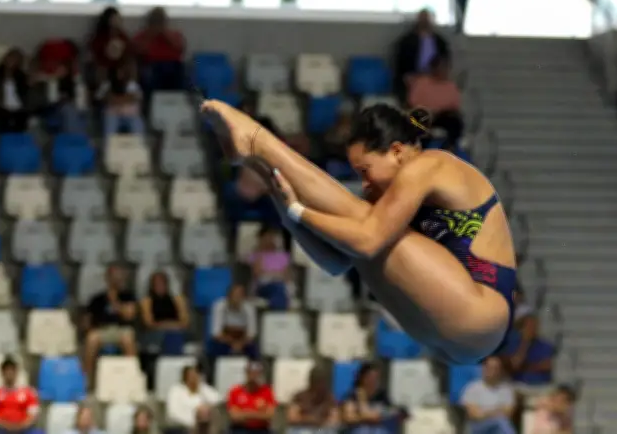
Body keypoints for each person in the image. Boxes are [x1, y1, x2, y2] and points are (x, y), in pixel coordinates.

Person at [200, 100, 517, 364]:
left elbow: (366, 242)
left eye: (365, 171)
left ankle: (259, 139)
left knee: (361, 223)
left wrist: (302, 212)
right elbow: (336, 262)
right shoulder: (387, 197)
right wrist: (286, 208)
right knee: (357, 228)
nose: (365, 183)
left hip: (480, 312)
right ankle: (258, 163)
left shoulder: (430, 164)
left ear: (396, 151)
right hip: (452, 340)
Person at [82, 264, 137, 380]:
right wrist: (89, 325)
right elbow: (87, 321)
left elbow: (129, 315)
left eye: (118, 276)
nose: (116, 279)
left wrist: (115, 302)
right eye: (113, 276)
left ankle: (132, 377)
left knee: (128, 339)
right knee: (91, 339)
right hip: (102, 330)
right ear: (107, 278)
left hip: (121, 329)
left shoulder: (128, 296)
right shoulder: (97, 299)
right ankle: (86, 380)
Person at [407, 55, 464, 150]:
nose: (445, 71)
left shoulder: (451, 86)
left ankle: (449, 147)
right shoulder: (422, 83)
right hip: (424, 115)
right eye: (442, 67)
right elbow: (412, 102)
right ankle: (420, 149)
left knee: (454, 120)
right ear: (434, 68)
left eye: (446, 68)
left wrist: (439, 111)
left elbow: (454, 107)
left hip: (442, 116)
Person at [394, 9, 450, 100]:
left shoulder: (440, 42)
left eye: (426, 19)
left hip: (435, 79)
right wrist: (407, 77)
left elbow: (445, 61)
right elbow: (400, 64)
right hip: (414, 78)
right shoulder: (406, 41)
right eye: (422, 19)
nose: (424, 22)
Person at [342, 362, 405, 434]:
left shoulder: (382, 396)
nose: (373, 380)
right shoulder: (352, 396)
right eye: (370, 377)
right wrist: (368, 416)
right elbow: (349, 418)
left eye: (375, 377)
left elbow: (389, 412)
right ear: (362, 377)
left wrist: (364, 415)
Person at [134, 7, 186, 92]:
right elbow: (138, 51)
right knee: (149, 74)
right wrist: (151, 35)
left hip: (172, 66)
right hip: (152, 66)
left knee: (179, 72)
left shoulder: (173, 34)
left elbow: (180, 48)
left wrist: (164, 33)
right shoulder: (142, 35)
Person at [0, 357, 41, 434]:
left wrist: (20, 426)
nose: (9, 373)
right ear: (2, 372)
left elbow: (33, 415)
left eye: (12, 370)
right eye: (6, 370)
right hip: (0, 429)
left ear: (17, 372)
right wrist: (5, 426)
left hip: (23, 429)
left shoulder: (29, 393)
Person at [460, 356, 517, 434]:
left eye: (495, 368)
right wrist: (497, 411)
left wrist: (485, 413)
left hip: (497, 427)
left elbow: (508, 413)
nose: (492, 370)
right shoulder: (472, 388)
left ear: (500, 370)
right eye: (489, 367)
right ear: (484, 368)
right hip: (477, 427)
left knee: (501, 423)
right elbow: (474, 415)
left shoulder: (506, 389)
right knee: (501, 422)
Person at [139, 270, 190, 354]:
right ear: (152, 285)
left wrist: (171, 326)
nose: (160, 286)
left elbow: (185, 322)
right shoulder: (147, 301)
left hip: (176, 331)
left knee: (177, 336)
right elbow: (148, 323)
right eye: (157, 284)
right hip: (154, 333)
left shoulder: (178, 300)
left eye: (162, 283)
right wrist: (168, 325)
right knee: (166, 337)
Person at [245, 224, 291, 310]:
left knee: (279, 289)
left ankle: (275, 314)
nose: (270, 240)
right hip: (262, 287)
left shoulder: (283, 256)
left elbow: (286, 276)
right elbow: (257, 274)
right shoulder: (256, 255)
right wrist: (276, 274)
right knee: (279, 289)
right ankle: (278, 314)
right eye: (267, 237)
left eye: (272, 237)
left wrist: (269, 273)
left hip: (280, 285)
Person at [209, 283, 259, 358]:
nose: (237, 299)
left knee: (253, 348)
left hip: (243, 340)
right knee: (215, 347)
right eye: (234, 296)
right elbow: (216, 333)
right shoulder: (218, 306)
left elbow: (251, 334)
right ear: (228, 296)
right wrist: (232, 344)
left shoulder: (249, 308)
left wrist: (240, 344)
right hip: (225, 340)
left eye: (240, 296)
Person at [165, 365, 220, 434]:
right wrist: (194, 420)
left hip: (203, 426)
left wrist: (201, 389)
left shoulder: (203, 388)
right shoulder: (176, 390)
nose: (194, 377)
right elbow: (172, 414)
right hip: (181, 427)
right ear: (185, 377)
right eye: (191, 375)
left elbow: (217, 399)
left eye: (196, 374)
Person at [0, 48, 31, 133]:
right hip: (2, 108)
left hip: (19, 108)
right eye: (10, 58)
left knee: (20, 128)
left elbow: (26, 92)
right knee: (2, 126)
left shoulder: (21, 76)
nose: (11, 61)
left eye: (15, 60)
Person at [96, 59, 145, 135]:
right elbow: (102, 98)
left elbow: (135, 97)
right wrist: (125, 98)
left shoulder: (132, 84)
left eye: (122, 72)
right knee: (110, 124)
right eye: (118, 72)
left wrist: (115, 99)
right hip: (112, 116)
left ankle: (139, 145)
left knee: (138, 123)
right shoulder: (107, 85)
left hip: (130, 115)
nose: (120, 74)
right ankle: (109, 146)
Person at [286, 366, 339, 434]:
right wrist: (310, 419)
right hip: (302, 428)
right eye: (316, 380)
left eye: (320, 381)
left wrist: (319, 421)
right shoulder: (300, 396)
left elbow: (334, 419)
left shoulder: (329, 398)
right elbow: (292, 417)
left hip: (322, 429)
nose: (318, 384)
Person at [227, 361, 277, 434]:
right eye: (250, 373)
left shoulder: (267, 391)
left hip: (262, 429)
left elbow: (269, 415)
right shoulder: (235, 391)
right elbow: (235, 416)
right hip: (240, 429)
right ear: (246, 373)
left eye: (256, 373)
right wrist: (259, 414)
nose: (253, 376)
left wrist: (245, 413)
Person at [89, 6, 132, 84]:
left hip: (119, 67)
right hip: (103, 66)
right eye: (114, 18)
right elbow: (95, 51)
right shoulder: (100, 36)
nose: (116, 21)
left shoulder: (122, 36)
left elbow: (128, 51)